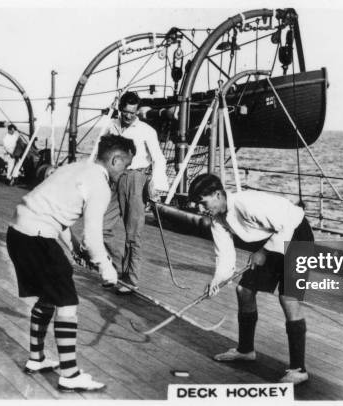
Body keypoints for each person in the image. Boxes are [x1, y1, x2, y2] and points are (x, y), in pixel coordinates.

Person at [6, 135, 135, 391]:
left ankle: (37, 358)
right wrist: (105, 266)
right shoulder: (100, 185)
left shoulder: (74, 167)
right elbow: (94, 238)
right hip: (38, 237)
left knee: (49, 295)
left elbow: (57, 212)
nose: (125, 172)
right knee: (67, 303)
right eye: (126, 166)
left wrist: (73, 247)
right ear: (115, 159)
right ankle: (69, 374)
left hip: (17, 233)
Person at [188, 174, 314, 385]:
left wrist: (263, 253)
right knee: (244, 290)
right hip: (273, 239)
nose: (201, 209)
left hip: (298, 234)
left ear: (218, 194)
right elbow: (225, 258)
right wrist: (216, 282)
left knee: (288, 299)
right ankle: (246, 351)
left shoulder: (247, 203)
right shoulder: (218, 220)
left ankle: (299, 369)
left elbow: (288, 223)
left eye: (203, 203)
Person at [96, 91, 169, 294]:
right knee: (100, 228)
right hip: (114, 178)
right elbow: (102, 152)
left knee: (132, 234)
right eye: (125, 112)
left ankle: (130, 279)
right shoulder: (112, 126)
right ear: (120, 109)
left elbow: (159, 159)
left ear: (137, 111)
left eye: (132, 113)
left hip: (135, 180)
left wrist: (155, 184)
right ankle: (119, 270)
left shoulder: (146, 130)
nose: (128, 116)